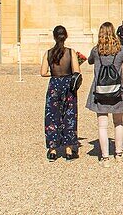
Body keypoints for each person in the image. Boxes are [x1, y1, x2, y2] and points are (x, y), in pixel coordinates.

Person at [87, 21, 123, 166]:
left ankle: (105, 158)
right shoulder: (120, 50)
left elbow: (89, 61)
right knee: (118, 122)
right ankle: (119, 154)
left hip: (100, 91)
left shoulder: (96, 51)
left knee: (102, 125)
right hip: (116, 91)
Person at [39, 24, 81, 161]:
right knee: (69, 115)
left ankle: (52, 150)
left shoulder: (49, 53)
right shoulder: (70, 52)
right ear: (66, 36)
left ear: (54, 37)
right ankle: (68, 150)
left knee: (52, 116)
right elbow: (76, 72)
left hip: (54, 85)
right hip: (68, 85)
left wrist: (54, 74)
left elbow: (43, 73)